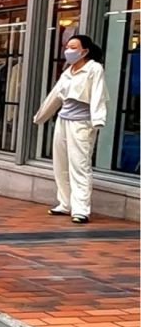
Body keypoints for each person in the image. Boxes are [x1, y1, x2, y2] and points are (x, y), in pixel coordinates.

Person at [34, 34, 107, 224]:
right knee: (61, 163)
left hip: (82, 123)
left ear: (85, 51)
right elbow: (55, 96)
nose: (69, 50)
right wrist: (40, 117)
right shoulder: (68, 71)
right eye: (67, 46)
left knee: (79, 165)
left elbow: (98, 93)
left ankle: (81, 209)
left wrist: (98, 120)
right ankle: (65, 203)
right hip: (63, 120)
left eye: (73, 47)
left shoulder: (94, 68)